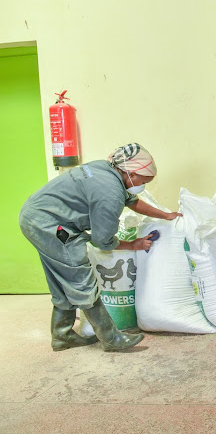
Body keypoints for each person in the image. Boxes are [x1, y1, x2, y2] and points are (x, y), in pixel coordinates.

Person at [18, 143, 181, 352]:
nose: (145, 185)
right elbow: (102, 240)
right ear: (130, 173)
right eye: (144, 180)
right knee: (81, 280)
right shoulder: (110, 193)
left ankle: (62, 335)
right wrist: (133, 245)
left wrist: (165, 215)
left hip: (37, 216)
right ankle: (111, 339)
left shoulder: (107, 169)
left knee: (62, 280)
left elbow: (132, 201)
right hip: (49, 225)